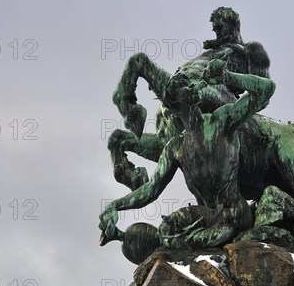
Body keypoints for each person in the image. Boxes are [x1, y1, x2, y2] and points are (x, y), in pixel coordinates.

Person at [100, 53, 276, 250]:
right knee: (168, 227)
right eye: (184, 85)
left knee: (179, 237)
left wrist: (228, 77)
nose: (192, 85)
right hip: (206, 217)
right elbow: (150, 190)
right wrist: (115, 206)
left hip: (235, 214)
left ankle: (201, 248)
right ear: (175, 104)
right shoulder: (175, 147)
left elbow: (267, 90)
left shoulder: (222, 121)